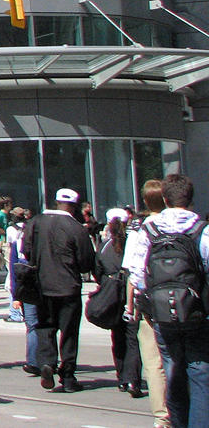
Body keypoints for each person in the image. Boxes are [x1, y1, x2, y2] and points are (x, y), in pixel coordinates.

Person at [123, 174, 209, 428]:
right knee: (200, 373)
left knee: (172, 372)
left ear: (165, 199)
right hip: (197, 313)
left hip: (162, 314)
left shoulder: (149, 229)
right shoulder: (202, 230)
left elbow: (137, 274)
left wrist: (144, 305)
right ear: (191, 200)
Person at [22, 188, 96, 393]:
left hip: (42, 286)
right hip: (68, 287)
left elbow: (26, 251)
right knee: (69, 332)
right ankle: (69, 376)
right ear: (73, 205)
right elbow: (85, 263)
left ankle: (47, 362)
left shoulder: (35, 222)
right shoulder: (77, 228)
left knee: (45, 326)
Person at [126, 179, 172, 428]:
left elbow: (134, 272)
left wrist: (130, 305)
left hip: (151, 302)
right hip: (181, 300)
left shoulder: (141, 229)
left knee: (154, 362)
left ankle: (162, 415)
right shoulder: (182, 223)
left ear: (145, 201)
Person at [96, 212, 143, 397]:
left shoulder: (105, 246)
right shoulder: (134, 242)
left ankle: (122, 377)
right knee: (132, 338)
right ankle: (133, 380)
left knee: (118, 337)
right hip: (131, 294)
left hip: (113, 295)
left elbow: (97, 270)